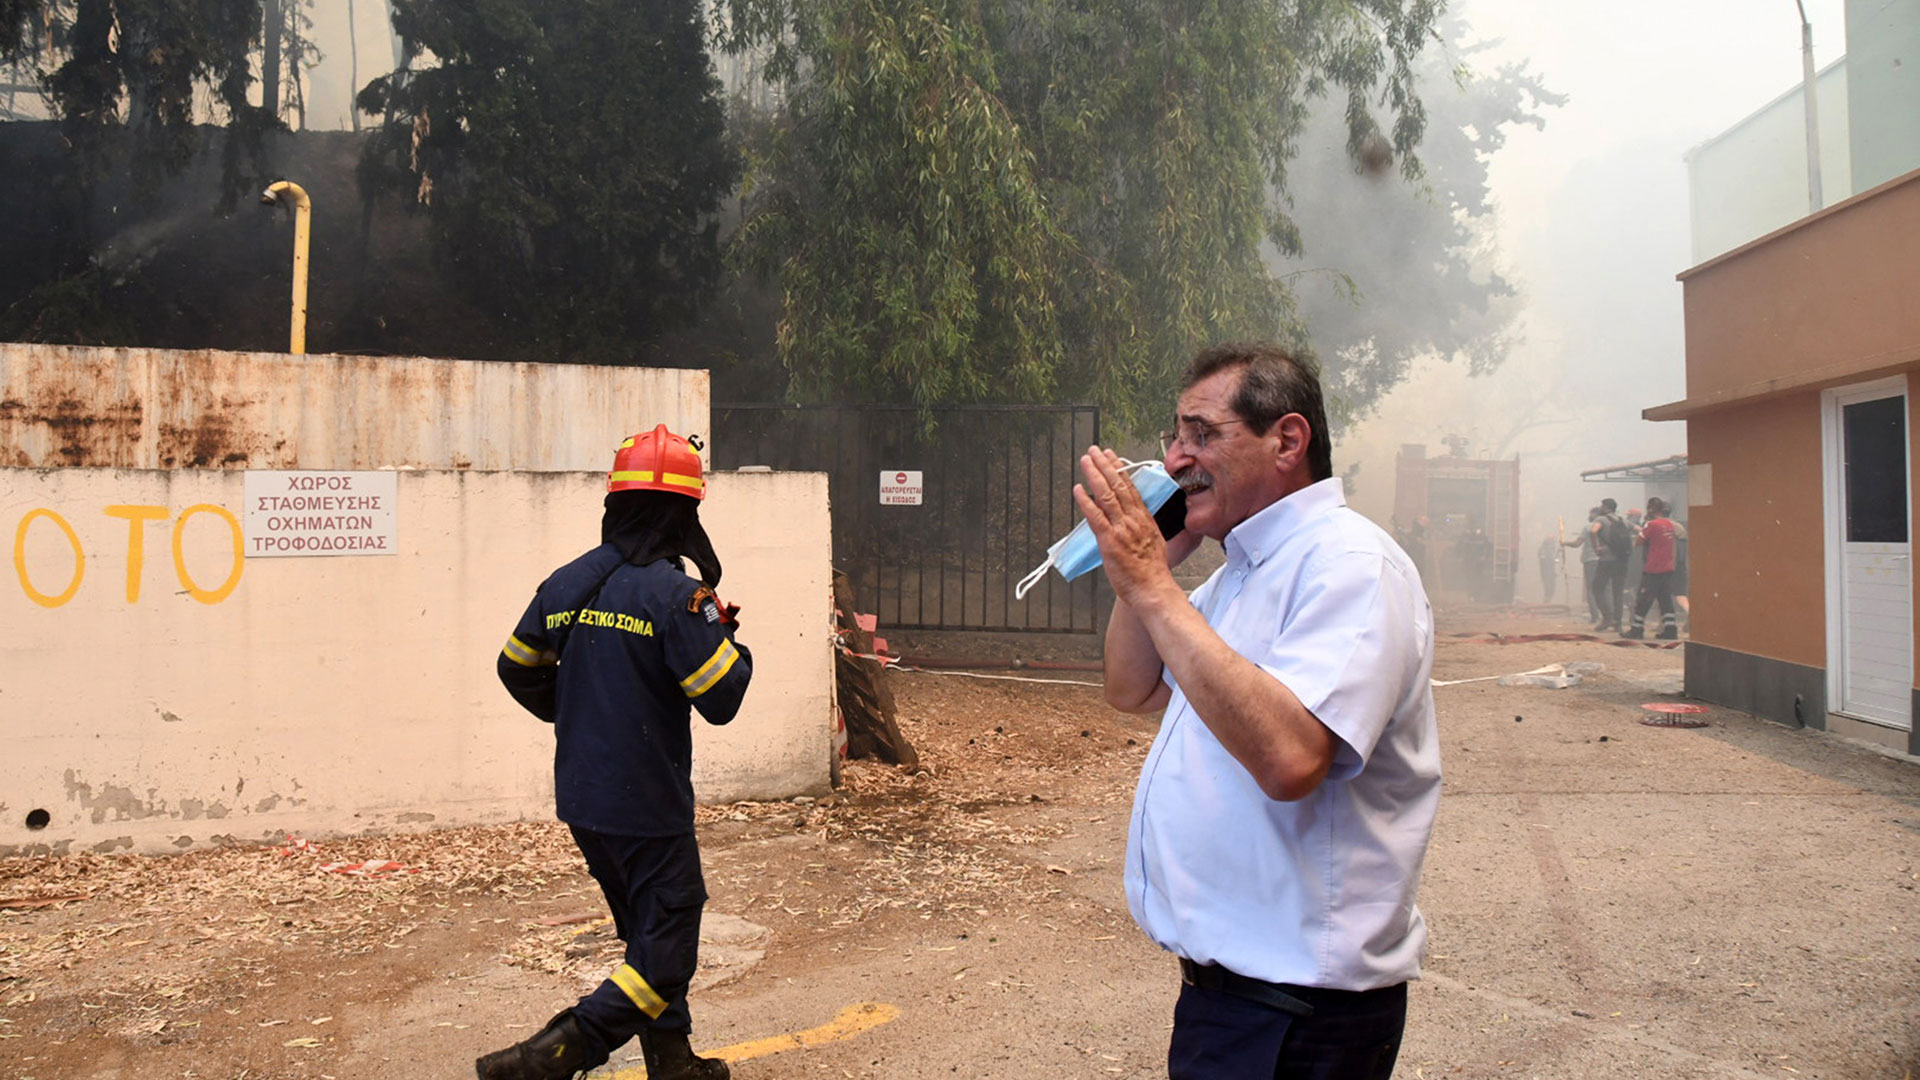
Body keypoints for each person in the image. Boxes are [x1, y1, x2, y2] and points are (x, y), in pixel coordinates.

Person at [1074, 342, 1439, 1080]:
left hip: (1300, 1013)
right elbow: (1131, 687)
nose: (1177, 460)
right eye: (1176, 437)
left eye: (1202, 434)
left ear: (1288, 440)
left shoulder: (1349, 566)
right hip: (1235, 1002)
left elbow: (1291, 759)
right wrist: (1148, 574)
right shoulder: (1243, 575)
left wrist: (1153, 586)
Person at [478, 425, 751, 1080]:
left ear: (618, 505)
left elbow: (516, 665)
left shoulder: (570, 582)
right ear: (680, 515)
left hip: (584, 800)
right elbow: (721, 697)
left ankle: (673, 1061)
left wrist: (574, 711)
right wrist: (728, 641)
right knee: (667, 949)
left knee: (645, 930)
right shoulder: (676, 598)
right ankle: (549, 1056)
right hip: (648, 806)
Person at [1625, 496, 1683, 640]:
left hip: (1653, 569)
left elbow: (1638, 542)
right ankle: (1671, 630)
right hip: (1668, 568)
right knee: (1665, 600)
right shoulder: (1669, 525)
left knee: (1643, 599)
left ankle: (1636, 630)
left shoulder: (1651, 524)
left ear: (1650, 509)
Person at [1589, 497, 1629, 633]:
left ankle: (1607, 617)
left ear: (1605, 507)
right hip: (1622, 561)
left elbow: (1593, 531)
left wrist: (1597, 548)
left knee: (1597, 588)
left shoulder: (1601, 520)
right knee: (1618, 591)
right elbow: (1639, 531)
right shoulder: (1623, 521)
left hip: (1606, 561)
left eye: (1602, 506)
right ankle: (1617, 622)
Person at [1561, 507, 1604, 624]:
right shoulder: (1608, 526)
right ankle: (1606, 615)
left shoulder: (1589, 527)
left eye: (1591, 514)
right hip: (1604, 560)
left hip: (1590, 560)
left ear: (1595, 514)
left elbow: (1577, 543)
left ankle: (1594, 615)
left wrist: (1564, 543)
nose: (1589, 516)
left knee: (1591, 588)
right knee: (1603, 588)